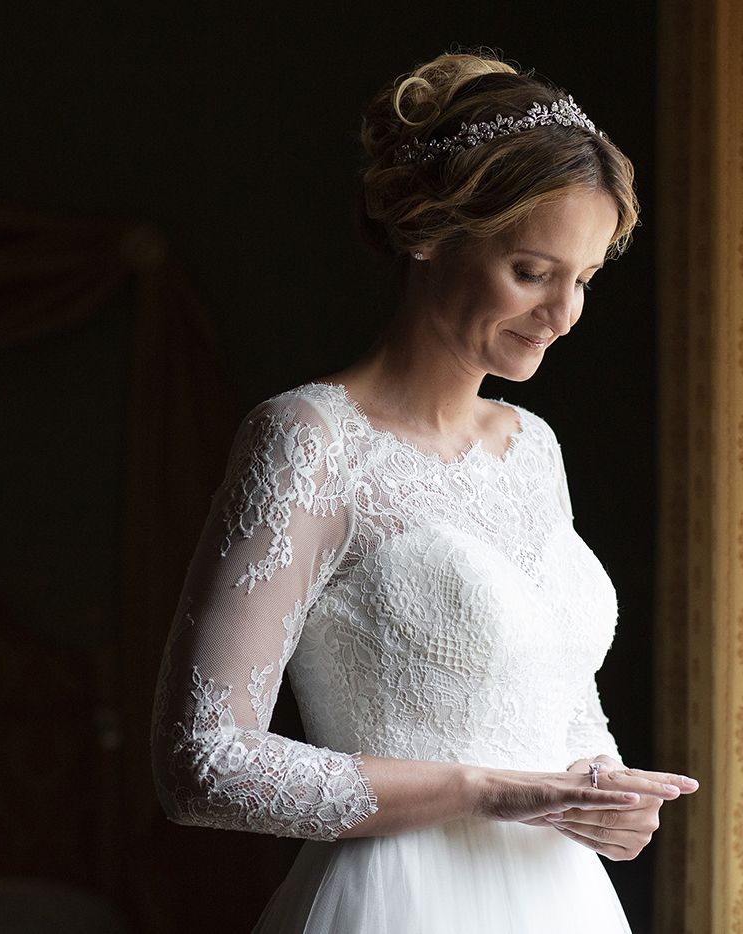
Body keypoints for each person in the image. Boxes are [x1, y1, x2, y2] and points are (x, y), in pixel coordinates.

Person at [150, 51, 697, 933]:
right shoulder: (309, 440)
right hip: (397, 904)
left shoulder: (533, 450)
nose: (564, 315)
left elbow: (554, 693)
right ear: (429, 233)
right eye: (532, 271)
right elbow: (201, 762)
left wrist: (604, 787)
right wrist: (482, 792)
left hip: (561, 905)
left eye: (585, 280)